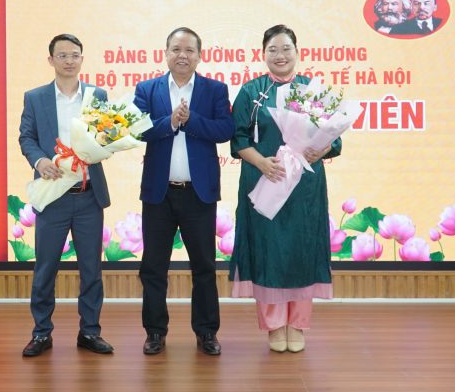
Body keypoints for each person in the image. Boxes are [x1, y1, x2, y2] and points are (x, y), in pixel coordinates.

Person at [229, 24, 342, 353]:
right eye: (273, 50)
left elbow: (335, 138)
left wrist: (320, 148)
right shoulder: (251, 92)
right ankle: (275, 326)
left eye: (286, 49)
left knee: (302, 250)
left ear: (297, 52)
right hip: (265, 181)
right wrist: (262, 162)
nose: (280, 55)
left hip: (305, 187)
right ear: (263, 54)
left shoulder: (312, 90)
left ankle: (298, 324)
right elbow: (237, 139)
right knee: (269, 252)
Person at [133, 27, 235, 356]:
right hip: (158, 193)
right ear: (165, 53)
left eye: (189, 50)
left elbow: (226, 129)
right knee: (153, 268)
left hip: (198, 194)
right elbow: (136, 130)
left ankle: (207, 332)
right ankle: (154, 332)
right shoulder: (147, 89)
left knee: (204, 267)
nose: (183, 55)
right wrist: (170, 122)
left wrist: (190, 121)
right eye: (176, 49)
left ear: (199, 56)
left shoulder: (214, 89)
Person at [18, 33, 114, 357]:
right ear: (51, 60)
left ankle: (90, 332)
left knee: (91, 269)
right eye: (62, 55)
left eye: (75, 55)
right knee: (46, 268)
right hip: (53, 196)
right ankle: (41, 333)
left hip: (88, 196)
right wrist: (40, 160)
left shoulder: (97, 95)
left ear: (82, 59)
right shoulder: (35, 97)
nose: (69, 61)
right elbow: (26, 137)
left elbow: (107, 137)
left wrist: (105, 144)